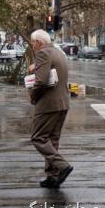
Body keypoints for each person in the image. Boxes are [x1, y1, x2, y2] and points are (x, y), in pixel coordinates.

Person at [29, 29, 73, 188]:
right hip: (63, 103)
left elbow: (40, 82)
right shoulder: (58, 53)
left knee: (38, 138)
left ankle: (62, 165)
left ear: (38, 43)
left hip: (48, 104)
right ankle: (53, 176)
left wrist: (33, 97)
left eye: (33, 43)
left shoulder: (43, 54)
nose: (32, 46)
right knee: (52, 140)